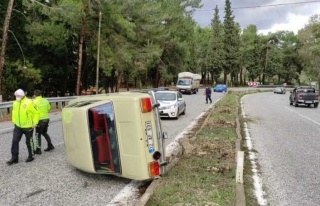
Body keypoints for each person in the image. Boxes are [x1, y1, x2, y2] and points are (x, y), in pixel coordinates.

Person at [6, 89, 40, 165]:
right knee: (15, 141)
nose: (16, 97)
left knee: (29, 142)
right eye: (16, 96)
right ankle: (14, 158)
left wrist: (35, 123)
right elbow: (14, 113)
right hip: (18, 126)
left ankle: (31, 156)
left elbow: (36, 113)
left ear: (22, 96)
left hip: (28, 126)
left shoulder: (29, 102)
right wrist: (14, 121)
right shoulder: (15, 103)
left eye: (18, 96)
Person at [33, 89, 54, 154]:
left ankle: (38, 149)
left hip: (39, 120)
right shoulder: (45, 100)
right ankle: (50, 145)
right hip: (46, 119)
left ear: (35, 95)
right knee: (44, 133)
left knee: (37, 135)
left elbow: (32, 111)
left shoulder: (34, 102)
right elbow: (49, 109)